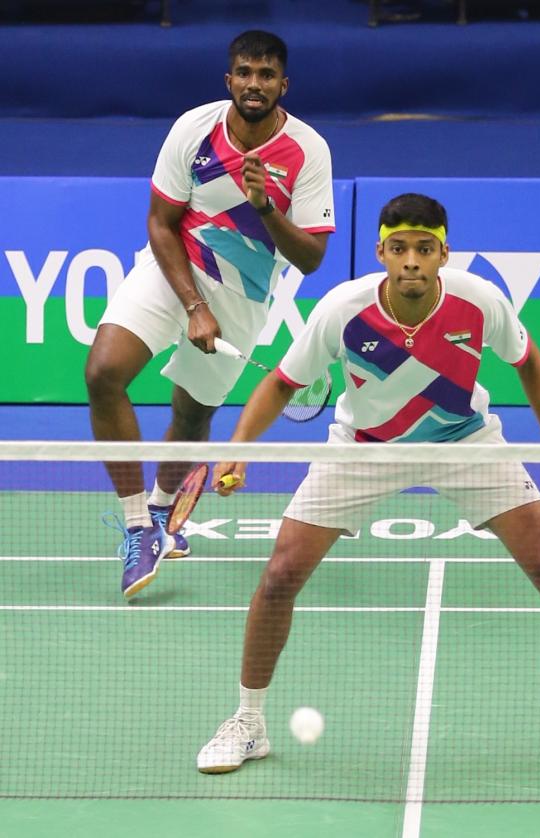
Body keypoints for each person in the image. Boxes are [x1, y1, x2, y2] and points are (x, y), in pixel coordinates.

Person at [196, 193, 540, 779]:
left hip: (465, 443)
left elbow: (530, 362)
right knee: (282, 573)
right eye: (399, 249)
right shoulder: (343, 309)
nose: (411, 260)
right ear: (381, 252)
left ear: (444, 254)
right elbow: (284, 384)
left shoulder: (478, 300)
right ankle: (248, 721)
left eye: (424, 249)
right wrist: (238, 452)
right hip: (366, 449)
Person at [85, 30, 335, 599]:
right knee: (103, 373)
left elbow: (312, 258)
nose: (254, 83)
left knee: (192, 416)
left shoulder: (307, 151)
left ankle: (164, 510)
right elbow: (159, 221)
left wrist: (266, 206)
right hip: (173, 269)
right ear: (229, 80)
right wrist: (193, 306)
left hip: (243, 292)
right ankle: (138, 528)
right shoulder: (193, 129)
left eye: (266, 74)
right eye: (244, 73)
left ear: (283, 84)